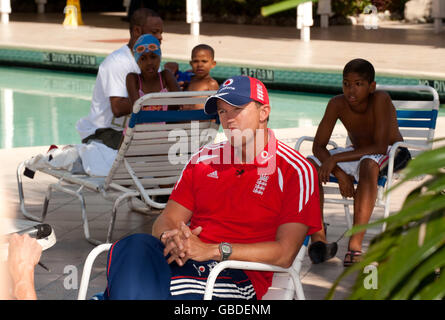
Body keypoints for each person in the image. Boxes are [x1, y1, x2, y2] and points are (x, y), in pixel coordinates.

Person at [101, 76, 322, 300]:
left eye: (236, 108)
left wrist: (213, 250)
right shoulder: (203, 160)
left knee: (145, 282)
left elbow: (285, 253)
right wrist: (172, 237)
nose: (228, 119)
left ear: (263, 112)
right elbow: (166, 219)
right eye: (222, 111)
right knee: (134, 246)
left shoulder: (294, 170)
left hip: (235, 275)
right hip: (187, 262)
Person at [307, 58, 411, 267]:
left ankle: (355, 246)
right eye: (346, 83)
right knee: (309, 165)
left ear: (371, 86)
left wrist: (335, 158)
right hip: (358, 153)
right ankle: (319, 239)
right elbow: (318, 146)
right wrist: (339, 172)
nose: (351, 90)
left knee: (368, 164)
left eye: (358, 84)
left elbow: (380, 147)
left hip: (392, 152)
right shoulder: (337, 103)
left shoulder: (380, 99)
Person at [76, 8, 164, 150]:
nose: (160, 37)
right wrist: (156, 92)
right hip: (103, 132)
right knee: (152, 147)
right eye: (155, 32)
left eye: (161, 32)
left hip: (133, 131)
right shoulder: (117, 62)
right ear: (137, 31)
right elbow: (117, 108)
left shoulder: (152, 60)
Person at [126, 34, 179, 110]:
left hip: (165, 121)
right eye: (143, 59)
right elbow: (137, 110)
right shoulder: (133, 79)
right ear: (137, 62)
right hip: (142, 122)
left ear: (160, 58)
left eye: (153, 57)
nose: (149, 62)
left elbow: (179, 103)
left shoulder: (165, 76)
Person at [182, 44, 219, 110]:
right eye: (195, 61)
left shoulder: (211, 83)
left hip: (202, 119)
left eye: (204, 61)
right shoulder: (189, 82)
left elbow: (217, 108)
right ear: (191, 63)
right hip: (185, 119)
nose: (199, 65)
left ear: (213, 64)